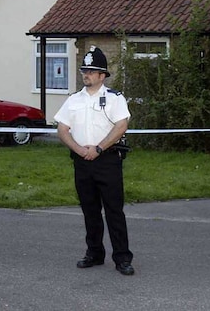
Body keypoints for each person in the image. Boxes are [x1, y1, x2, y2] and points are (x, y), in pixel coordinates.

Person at [54, 46, 135, 276]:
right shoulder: (73, 100)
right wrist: (80, 149)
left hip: (107, 161)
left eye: (92, 71)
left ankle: (122, 258)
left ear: (102, 76)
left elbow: (121, 126)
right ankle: (94, 253)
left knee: (113, 211)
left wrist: (99, 148)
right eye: (84, 71)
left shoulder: (114, 98)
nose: (86, 74)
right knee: (90, 210)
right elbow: (62, 128)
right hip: (82, 161)